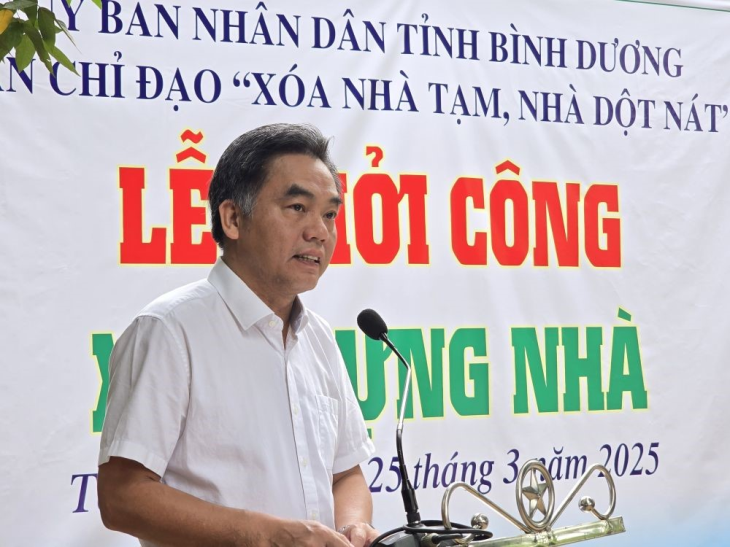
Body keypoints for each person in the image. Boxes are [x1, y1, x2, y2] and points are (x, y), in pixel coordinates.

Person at [98, 124, 379, 547]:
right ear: (232, 218)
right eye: (297, 207)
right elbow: (122, 497)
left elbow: (346, 473)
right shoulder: (169, 330)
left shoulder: (318, 338)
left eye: (330, 214)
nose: (319, 232)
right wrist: (264, 535)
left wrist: (353, 526)